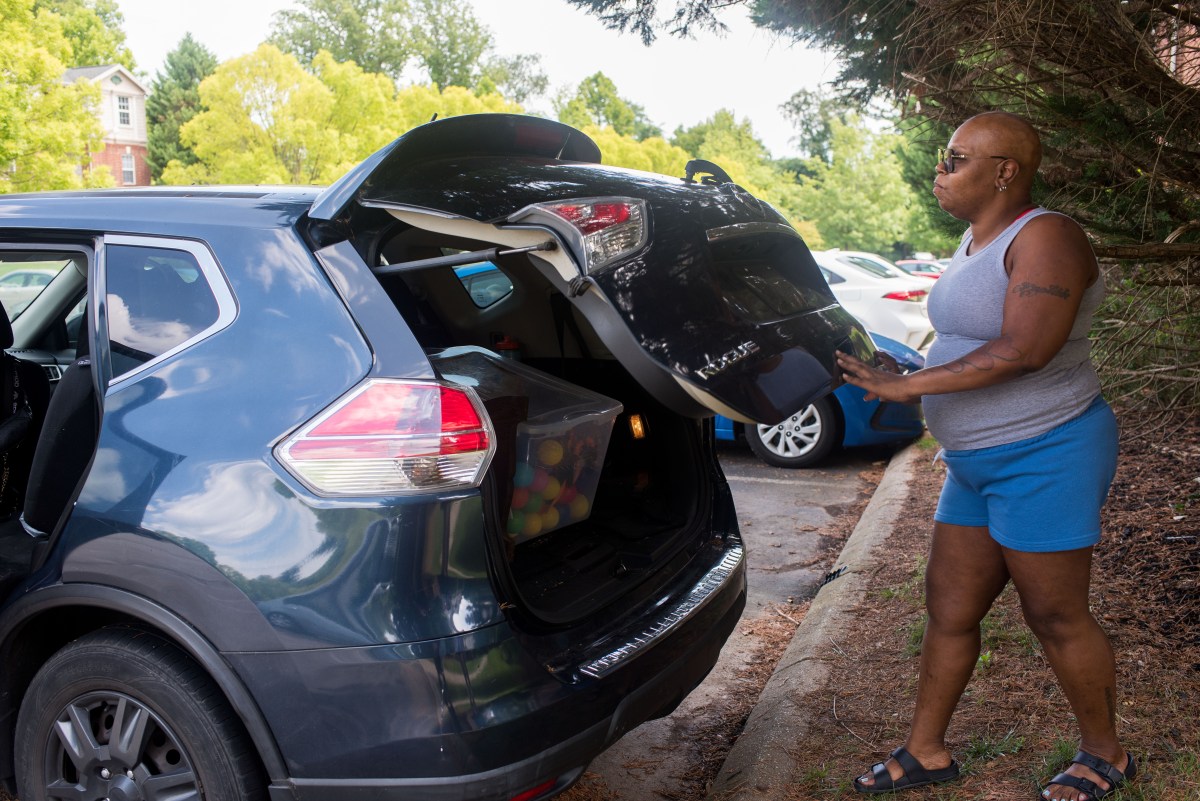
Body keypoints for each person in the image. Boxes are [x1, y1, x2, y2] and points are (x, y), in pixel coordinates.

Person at [835, 111, 1134, 801]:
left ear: (1006, 171)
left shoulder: (1049, 236)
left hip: (1046, 448)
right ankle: (926, 750)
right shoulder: (975, 241)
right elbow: (968, 340)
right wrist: (901, 363)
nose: (940, 169)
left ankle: (1107, 753)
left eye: (957, 157)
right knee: (949, 607)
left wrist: (908, 386)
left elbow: (1025, 349)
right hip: (972, 459)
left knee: (1055, 613)